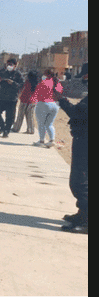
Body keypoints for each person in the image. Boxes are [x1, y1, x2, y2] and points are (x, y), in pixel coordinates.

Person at [53, 65, 87, 233]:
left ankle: (87, 221)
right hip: (83, 139)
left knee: (81, 181)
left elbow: (77, 114)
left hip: (86, 141)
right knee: (82, 179)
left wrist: (61, 99)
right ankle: (82, 214)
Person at [30, 67, 63, 147]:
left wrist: (32, 101)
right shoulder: (57, 83)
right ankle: (52, 140)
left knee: (41, 123)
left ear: (46, 74)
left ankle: (41, 141)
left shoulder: (43, 83)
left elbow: (36, 93)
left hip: (43, 104)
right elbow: (60, 92)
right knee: (49, 124)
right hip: (54, 105)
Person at [0, 58, 24, 138]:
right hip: (1, 97)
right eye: (8, 64)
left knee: (9, 117)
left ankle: (6, 131)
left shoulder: (18, 74)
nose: (9, 66)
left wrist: (13, 83)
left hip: (12, 99)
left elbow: (21, 85)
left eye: (11, 65)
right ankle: (2, 127)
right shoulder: (2, 72)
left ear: (15, 66)